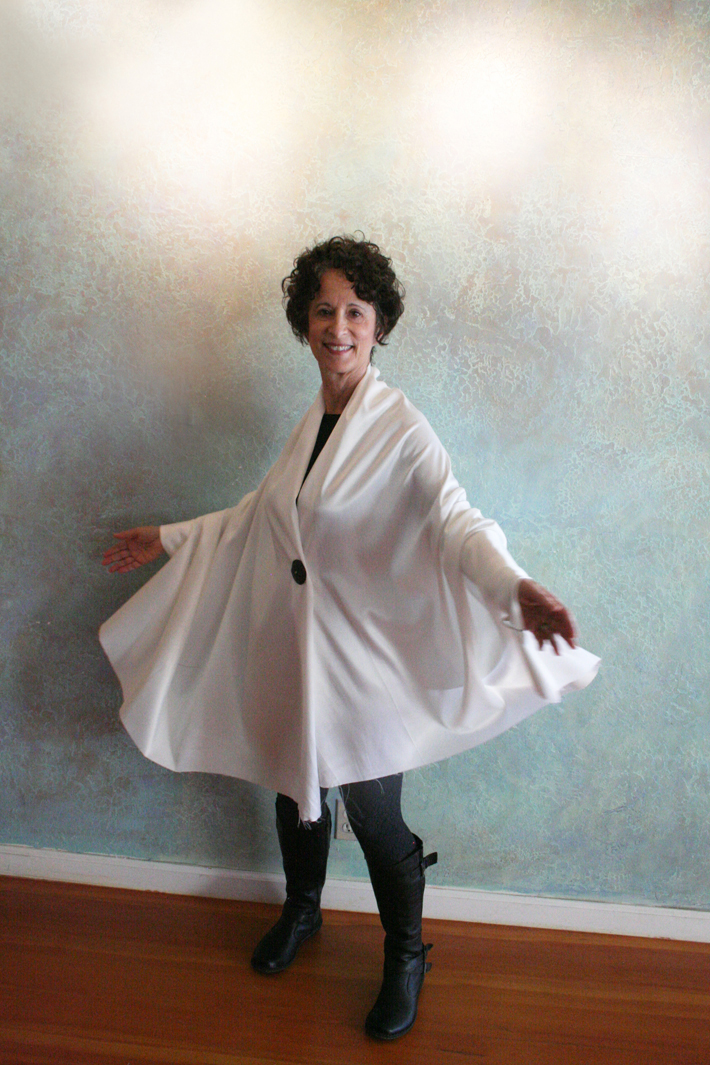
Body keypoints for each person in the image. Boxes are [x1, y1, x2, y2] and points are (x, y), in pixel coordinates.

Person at [101, 235, 599, 1041]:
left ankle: (407, 954)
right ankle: (303, 910)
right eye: (324, 310)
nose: (338, 327)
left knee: (371, 809)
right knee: (295, 786)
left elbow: (456, 520)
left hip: (366, 660)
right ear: (306, 323)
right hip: (299, 650)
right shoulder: (313, 422)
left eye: (355, 312)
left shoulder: (400, 426)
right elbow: (260, 516)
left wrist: (515, 587)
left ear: (379, 326)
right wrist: (168, 536)